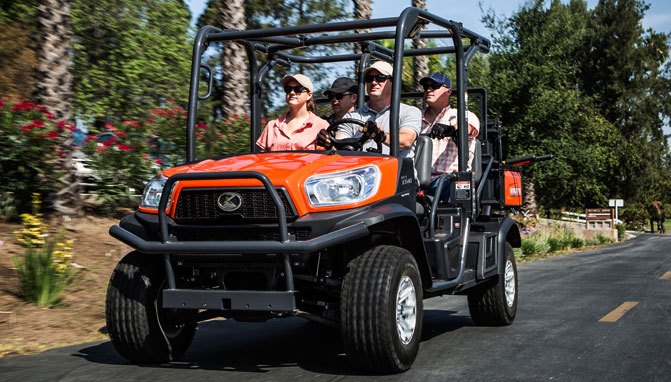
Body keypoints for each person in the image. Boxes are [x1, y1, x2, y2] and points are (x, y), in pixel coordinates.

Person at [317, 61, 422, 160]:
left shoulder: (410, 112)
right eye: (369, 78)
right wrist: (329, 143)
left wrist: (382, 136)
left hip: (398, 174)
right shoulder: (352, 117)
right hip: (362, 173)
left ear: (393, 82)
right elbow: (341, 143)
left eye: (380, 78)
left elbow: (406, 140)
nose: (373, 82)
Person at [420, 72, 480, 202]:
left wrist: (451, 130)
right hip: (416, 181)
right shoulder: (415, 118)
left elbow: (467, 129)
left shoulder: (459, 115)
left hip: (446, 180)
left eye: (434, 86)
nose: (429, 89)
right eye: (426, 86)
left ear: (448, 91)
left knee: (455, 185)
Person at [256, 73, 329, 151]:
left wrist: (329, 144)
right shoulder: (272, 126)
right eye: (288, 89)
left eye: (298, 89)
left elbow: (332, 156)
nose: (292, 92)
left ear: (309, 95)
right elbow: (259, 157)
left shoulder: (321, 125)